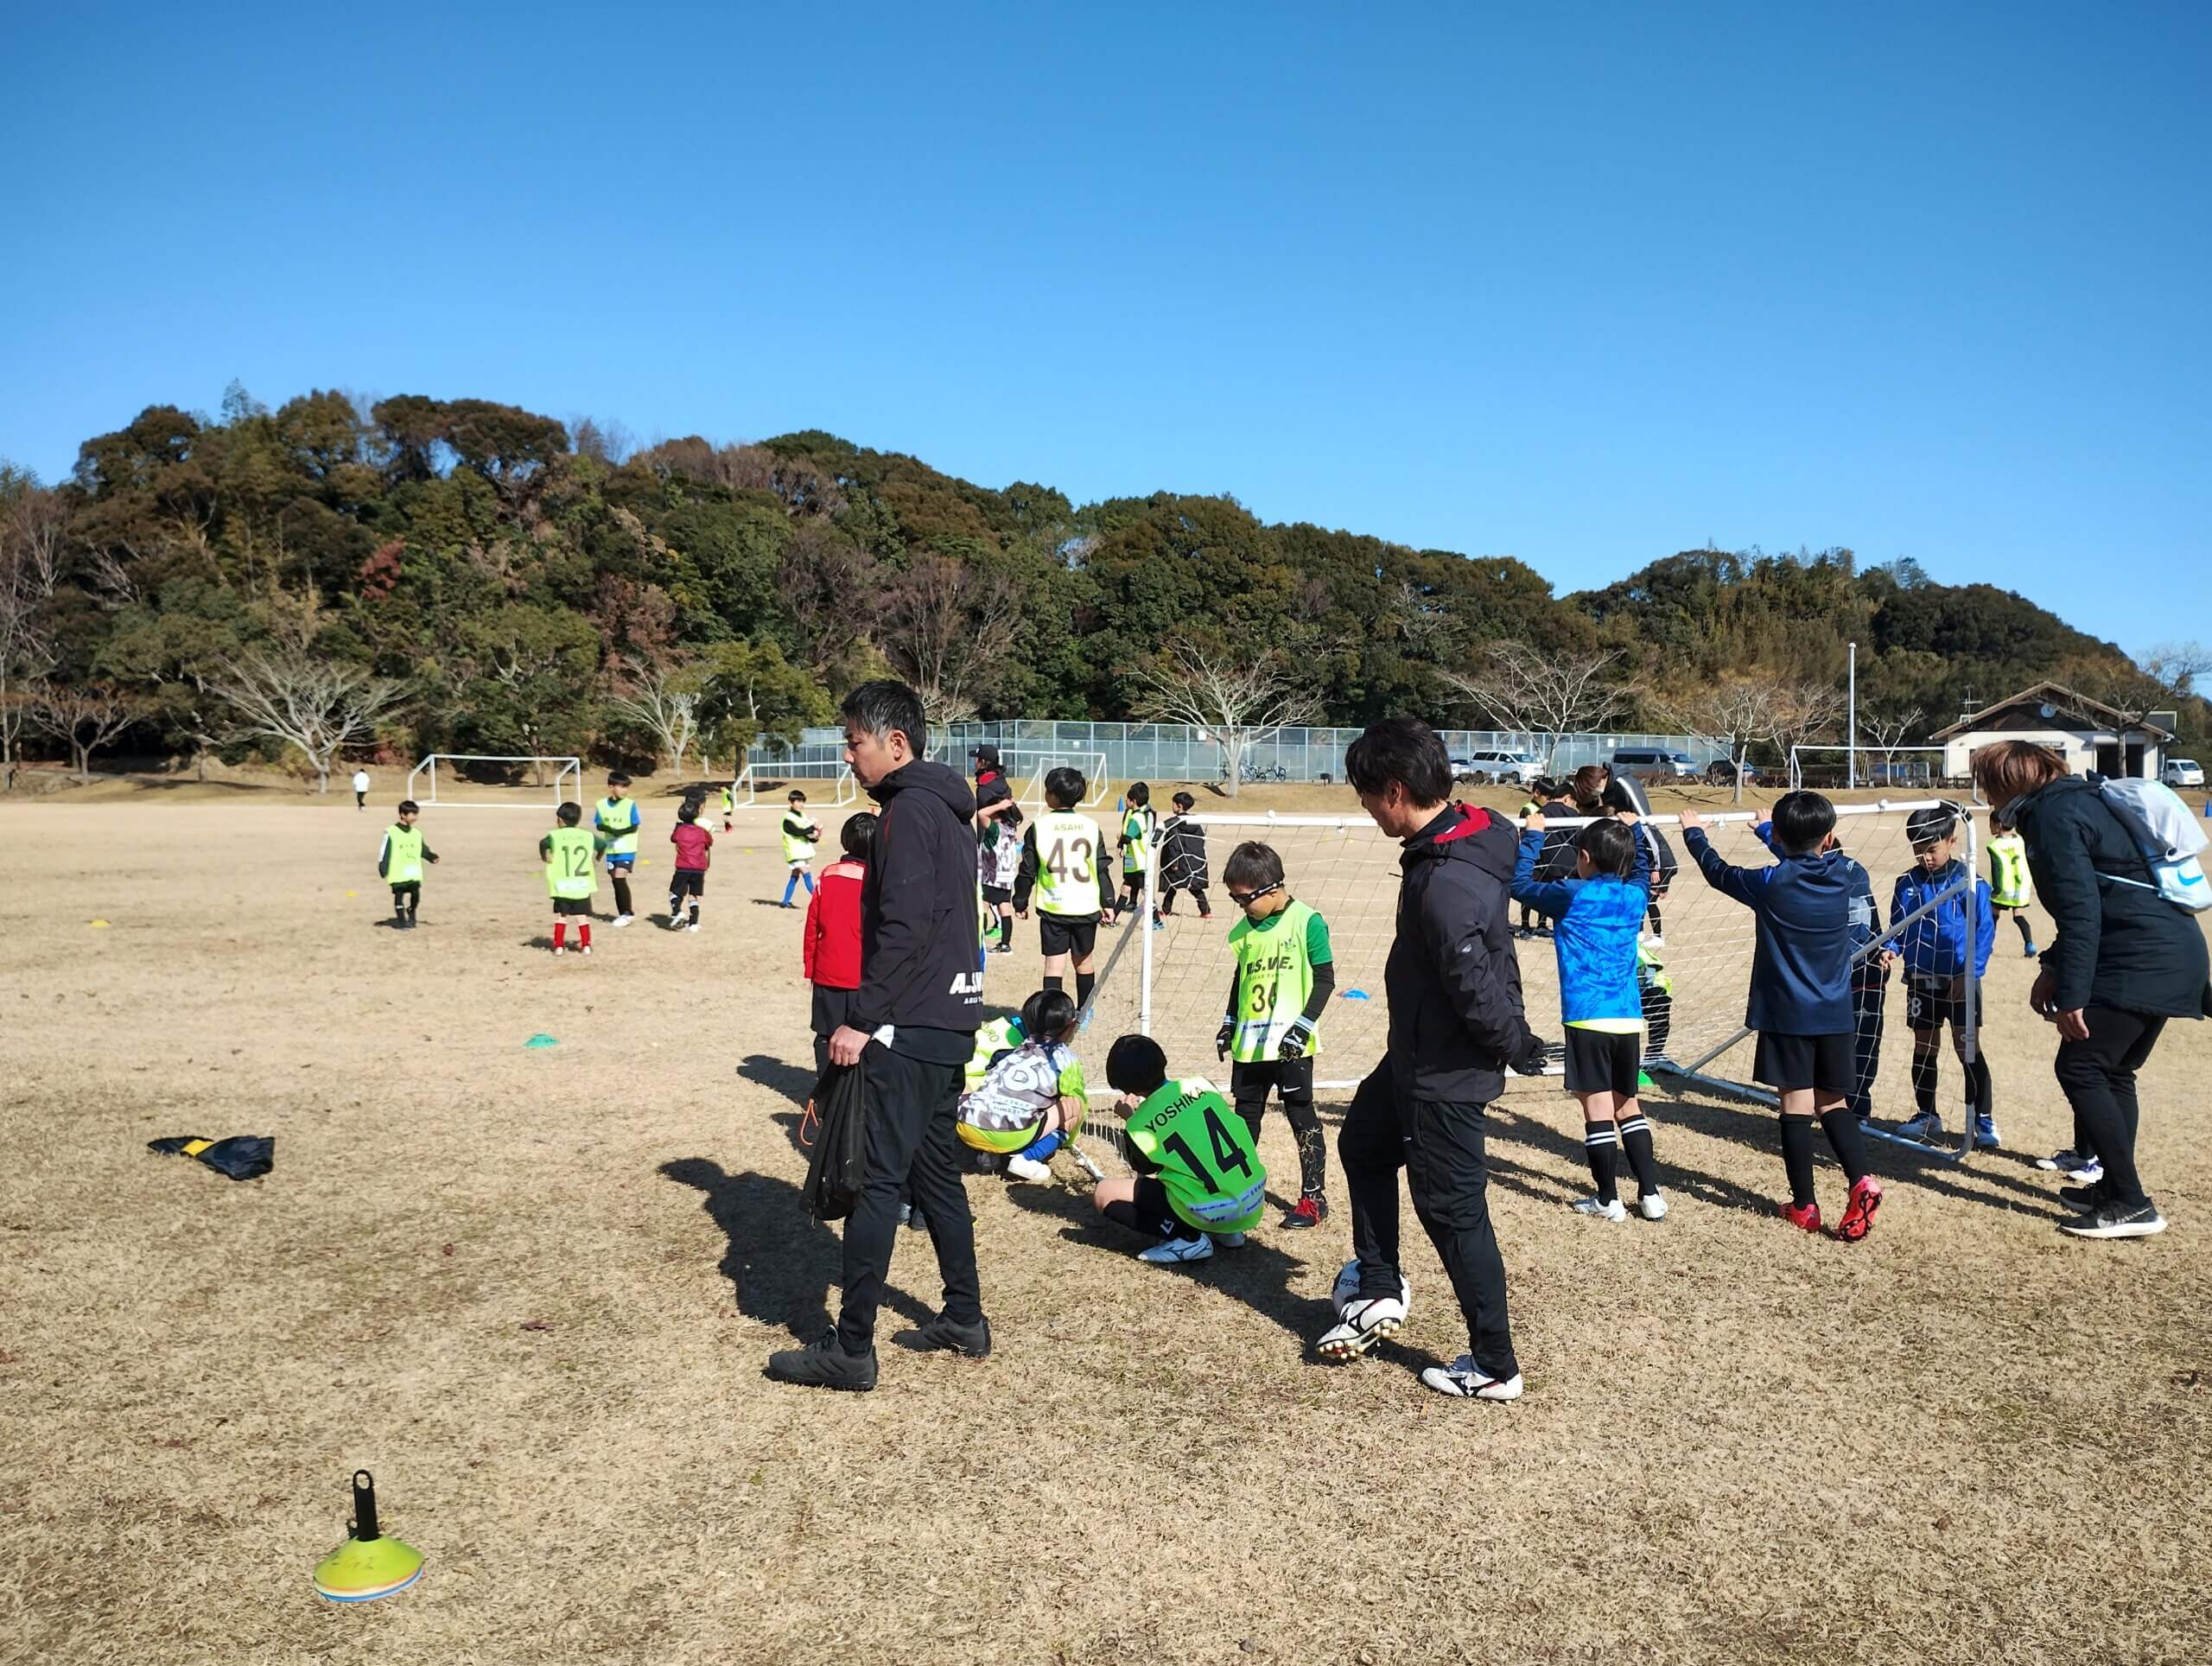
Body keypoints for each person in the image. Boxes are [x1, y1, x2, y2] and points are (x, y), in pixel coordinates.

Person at [767, 680, 987, 1392]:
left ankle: (852, 1348)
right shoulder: (948, 810)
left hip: (910, 1024)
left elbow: (904, 928)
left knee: (878, 1184)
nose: (848, 756)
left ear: (896, 742)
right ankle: (964, 1316)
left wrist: (860, 1019)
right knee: (936, 1175)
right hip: (952, 1019)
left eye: (854, 742)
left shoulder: (907, 811)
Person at [1328, 717, 1544, 1402]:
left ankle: (1495, 1365)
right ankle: (1378, 1281)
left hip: (1444, 1072)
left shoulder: (1444, 882)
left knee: (1452, 1212)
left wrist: (1516, 1043)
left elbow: (1474, 984)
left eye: (1367, 794)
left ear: (1395, 791)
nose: (1366, 807)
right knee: (1363, 1144)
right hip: (1411, 1055)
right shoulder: (1466, 833)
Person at [1973, 741, 2210, 1239]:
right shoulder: (2076, 801)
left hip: (2140, 957)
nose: (1985, 795)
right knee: (2114, 1071)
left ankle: (2131, 1203)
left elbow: (2083, 911)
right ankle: (2113, 1188)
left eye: (1988, 783)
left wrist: (2073, 996)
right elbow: (2098, 898)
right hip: (2164, 951)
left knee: (2081, 1067)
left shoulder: (2054, 817)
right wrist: (2053, 965)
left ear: (2009, 781)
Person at [1681, 794, 1883, 1239]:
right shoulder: (1841, 875)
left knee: (1795, 1105)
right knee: (1833, 1102)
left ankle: (1805, 1206)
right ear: (1829, 838)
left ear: (1781, 836)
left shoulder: (1769, 884)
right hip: (1836, 1012)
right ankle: (1862, 1180)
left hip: (1789, 1014)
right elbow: (1802, 859)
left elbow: (1718, 872)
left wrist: (1694, 833)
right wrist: (1766, 831)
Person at [1512, 811, 1667, 1221]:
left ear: (1583, 857)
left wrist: (1533, 837)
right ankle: (1651, 1195)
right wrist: (1635, 830)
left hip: (1587, 1017)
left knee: (1597, 1109)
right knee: (1628, 1105)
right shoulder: (1635, 896)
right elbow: (1642, 870)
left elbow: (1519, 885)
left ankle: (1608, 1200)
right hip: (1628, 1018)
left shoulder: (1570, 893)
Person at [1216, 841, 1334, 1228]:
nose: (1241, 906)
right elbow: (1241, 981)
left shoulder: (1307, 921)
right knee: (1244, 1120)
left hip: (1290, 1046)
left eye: (1243, 899)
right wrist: (1229, 1022)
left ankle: (1313, 1199)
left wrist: (1303, 1026)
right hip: (1250, 1045)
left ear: (1270, 888)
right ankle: (1238, 1192)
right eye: (1235, 899)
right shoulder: (1243, 932)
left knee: (1301, 1116)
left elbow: (1325, 979)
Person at [1090, 1034, 1265, 1265]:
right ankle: (1228, 1231)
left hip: (1209, 1208)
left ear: (1126, 1086)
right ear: (1162, 1060)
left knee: (1104, 1193)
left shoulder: (1139, 1125)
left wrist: (1130, 1118)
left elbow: (1146, 1168)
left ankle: (1188, 1237)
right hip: (1252, 1199)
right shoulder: (1202, 1085)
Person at [1885, 806, 1997, 1148]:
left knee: (1967, 1047)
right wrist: (1891, 948)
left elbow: (1984, 932)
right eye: (1918, 850)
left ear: (1952, 841)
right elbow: (1899, 926)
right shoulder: (1906, 884)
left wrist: (1970, 973)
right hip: (1922, 979)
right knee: (1924, 1045)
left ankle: (1983, 1119)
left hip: (1960, 980)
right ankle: (1927, 1114)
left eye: (1932, 849)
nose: (1925, 857)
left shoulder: (1970, 882)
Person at [1012, 766, 1118, 1008]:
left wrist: (1020, 900)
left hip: (1054, 906)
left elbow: (1027, 869)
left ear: (1052, 795)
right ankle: (1085, 1011)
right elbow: (1101, 866)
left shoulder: (1039, 827)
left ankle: (1053, 1014)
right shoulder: (1090, 826)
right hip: (1085, 906)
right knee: (1084, 961)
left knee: (1054, 964)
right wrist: (1108, 901)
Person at [957, 989, 1087, 1182]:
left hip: (967, 1127)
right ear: (1071, 1025)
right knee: (1075, 1104)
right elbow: (1074, 1102)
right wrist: (1065, 1137)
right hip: (1012, 1136)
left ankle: (988, 1154)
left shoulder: (1010, 1050)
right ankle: (1027, 1158)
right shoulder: (1068, 1061)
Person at [803, 812, 874, 1075]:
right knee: (864, 1038)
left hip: (827, 973)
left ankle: (825, 1089)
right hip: (864, 976)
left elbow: (812, 926)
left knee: (826, 1035)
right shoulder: (877, 881)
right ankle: (855, 1091)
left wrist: (811, 968)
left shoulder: (828, 874)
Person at [541, 801, 604, 957]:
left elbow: (543, 844)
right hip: (581, 884)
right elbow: (602, 844)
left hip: (563, 884)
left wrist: (545, 857)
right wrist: (597, 858)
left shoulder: (555, 836)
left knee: (562, 917)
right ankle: (586, 946)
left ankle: (559, 947)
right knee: (582, 917)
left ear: (560, 819)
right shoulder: (587, 836)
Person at [376, 799, 438, 930]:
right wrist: (383, 866)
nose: (415, 817)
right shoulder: (391, 832)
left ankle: (412, 910)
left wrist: (431, 856)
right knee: (399, 896)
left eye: (416, 814)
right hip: (397, 871)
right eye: (412, 814)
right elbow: (385, 851)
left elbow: (421, 849)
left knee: (416, 894)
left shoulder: (416, 833)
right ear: (403, 815)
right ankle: (402, 922)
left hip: (413, 871)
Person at [1986, 811, 2040, 957]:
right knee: (2018, 915)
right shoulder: (2020, 840)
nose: (1989, 827)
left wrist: (1995, 890)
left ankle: (1987, 945)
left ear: (1998, 825)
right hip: (2020, 887)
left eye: (1991, 824)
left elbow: (1997, 870)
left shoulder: (1994, 846)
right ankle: (2029, 945)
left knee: (1993, 915)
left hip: (2003, 889)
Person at [593, 773, 641, 927]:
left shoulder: (630, 804)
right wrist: (609, 829)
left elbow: (635, 825)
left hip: (627, 848)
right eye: (622, 787)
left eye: (627, 787)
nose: (625, 790)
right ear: (611, 787)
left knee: (620, 877)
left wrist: (621, 831)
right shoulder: (601, 804)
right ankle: (623, 913)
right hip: (611, 849)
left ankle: (628, 913)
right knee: (615, 880)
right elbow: (599, 824)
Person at [978, 799, 1024, 954]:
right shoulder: (1011, 828)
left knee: (983, 907)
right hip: (1007, 877)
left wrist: (999, 805)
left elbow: (981, 814)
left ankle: (979, 943)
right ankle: (1005, 944)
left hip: (991, 876)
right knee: (1004, 908)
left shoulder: (994, 829)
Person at [1158, 791, 1212, 918]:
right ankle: (1206, 911)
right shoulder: (1196, 824)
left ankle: (1166, 910)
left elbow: (1173, 845)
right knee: (1195, 888)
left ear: (1179, 806)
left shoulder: (1174, 824)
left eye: (1173, 804)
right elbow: (1200, 843)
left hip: (1179, 862)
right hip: (1194, 862)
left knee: (1172, 886)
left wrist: (1173, 862)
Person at [666, 798, 713, 932]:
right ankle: (693, 923)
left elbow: (673, 839)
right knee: (693, 895)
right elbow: (709, 842)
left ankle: (677, 911)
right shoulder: (702, 831)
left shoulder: (680, 830)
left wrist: (677, 827)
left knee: (674, 892)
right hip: (699, 868)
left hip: (683, 867)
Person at [1118, 781, 1160, 924]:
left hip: (1140, 861)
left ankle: (1156, 920)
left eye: (1128, 799)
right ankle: (1112, 918)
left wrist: (1121, 839)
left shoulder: (1139, 816)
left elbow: (1129, 837)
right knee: (1126, 888)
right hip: (1133, 860)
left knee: (1145, 892)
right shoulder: (1135, 814)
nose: (1126, 801)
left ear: (1134, 800)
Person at [779, 791, 822, 908]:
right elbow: (797, 832)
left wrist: (815, 837)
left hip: (802, 852)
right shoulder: (788, 818)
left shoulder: (802, 816)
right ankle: (819, 900)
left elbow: (805, 834)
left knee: (794, 877)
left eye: (802, 801)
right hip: (794, 852)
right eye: (798, 801)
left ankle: (785, 902)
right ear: (791, 803)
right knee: (807, 874)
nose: (801, 804)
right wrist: (812, 828)